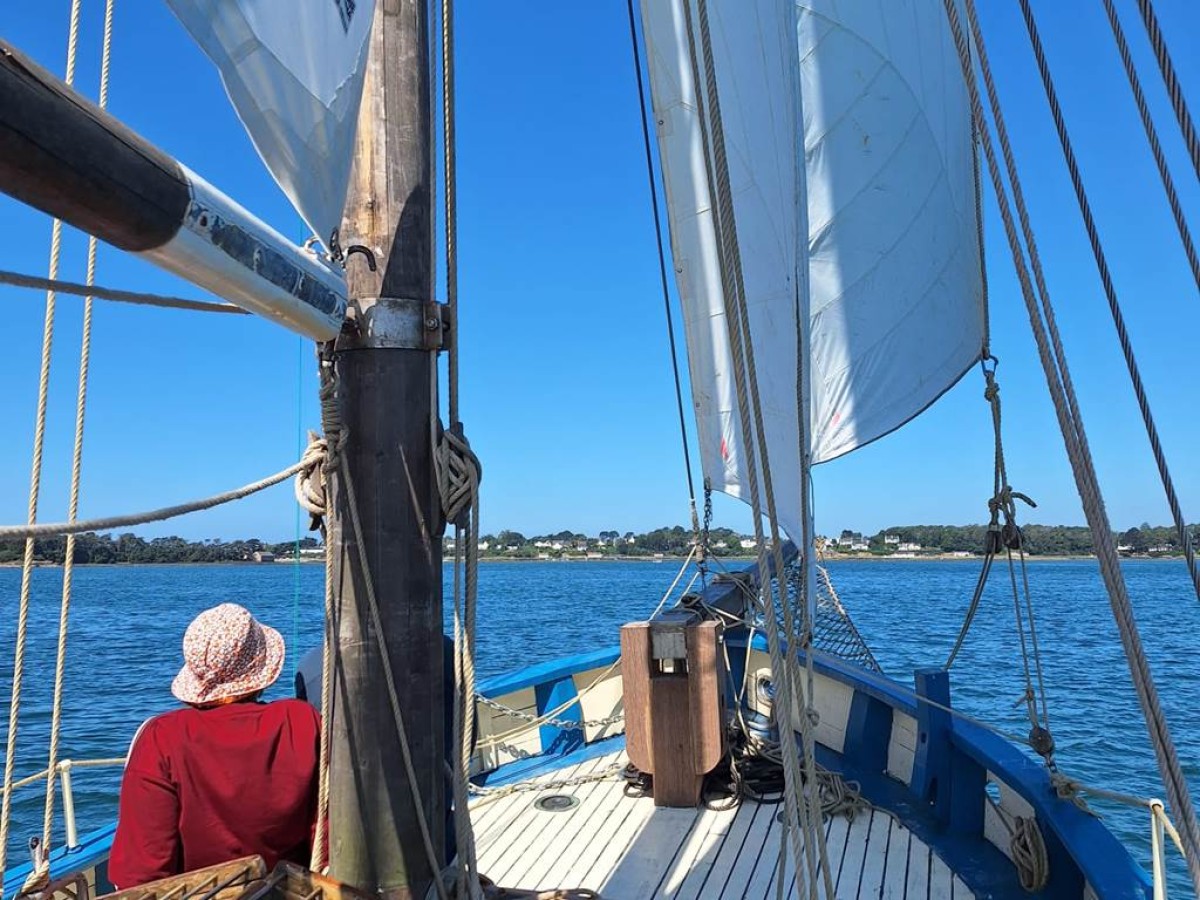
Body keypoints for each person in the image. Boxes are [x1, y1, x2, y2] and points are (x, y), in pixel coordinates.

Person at [108, 604, 320, 889]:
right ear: (260, 669)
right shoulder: (301, 721)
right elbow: (325, 834)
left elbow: (140, 872)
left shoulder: (162, 739)